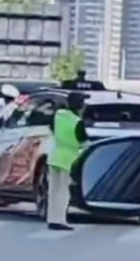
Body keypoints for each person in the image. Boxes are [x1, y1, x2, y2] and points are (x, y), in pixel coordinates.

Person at [47, 92, 88, 230]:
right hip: (69, 160)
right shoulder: (77, 122)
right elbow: (84, 143)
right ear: (80, 106)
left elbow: (52, 129)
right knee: (64, 191)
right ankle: (60, 220)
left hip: (55, 156)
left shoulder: (58, 116)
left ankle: (51, 219)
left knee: (53, 190)